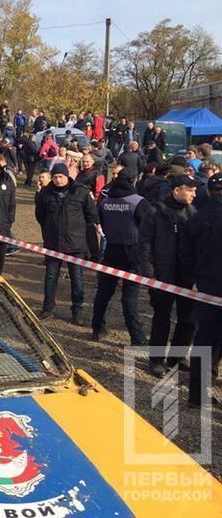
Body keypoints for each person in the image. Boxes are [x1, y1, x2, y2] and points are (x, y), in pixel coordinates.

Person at [138, 174, 198, 376]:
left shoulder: (192, 212)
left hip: (186, 277)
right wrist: (150, 275)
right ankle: (156, 360)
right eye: (190, 190)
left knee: (188, 319)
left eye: (195, 190)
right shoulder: (155, 212)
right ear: (177, 190)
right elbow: (145, 244)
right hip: (162, 276)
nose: (194, 194)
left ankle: (177, 357)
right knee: (161, 318)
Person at [90, 171, 149, 344]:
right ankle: (137, 338)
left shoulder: (105, 201)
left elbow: (100, 221)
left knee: (103, 293)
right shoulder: (138, 202)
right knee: (129, 298)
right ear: (132, 181)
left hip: (111, 251)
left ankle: (97, 327)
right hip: (133, 254)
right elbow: (147, 226)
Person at [35, 163, 97, 324]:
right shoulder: (45, 193)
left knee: (77, 279)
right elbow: (40, 216)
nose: (58, 180)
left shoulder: (80, 192)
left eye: (60, 177)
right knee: (50, 277)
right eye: (55, 177)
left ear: (67, 176)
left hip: (75, 244)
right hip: (53, 243)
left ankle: (77, 311)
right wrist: (50, 230)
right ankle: (48, 308)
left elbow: (91, 215)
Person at [183, 172, 222, 407]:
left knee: (204, 340)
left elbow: (185, 254)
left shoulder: (196, 219)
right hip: (209, 285)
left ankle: (196, 396)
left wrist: (194, 279)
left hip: (206, 288)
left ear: (208, 191)